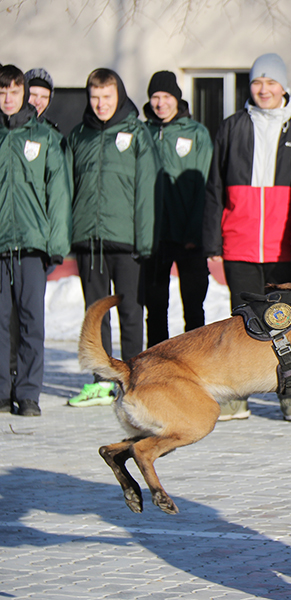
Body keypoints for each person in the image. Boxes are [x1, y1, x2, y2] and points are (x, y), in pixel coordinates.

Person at [203, 53, 291, 422]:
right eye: (257, 83)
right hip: (240, 242)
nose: (264, 90)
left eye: (271, 83)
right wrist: (212, 245)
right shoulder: (232, 126)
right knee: (243, 323)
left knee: (289, 322)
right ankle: (237, 395)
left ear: (284, 86)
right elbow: (214, 189)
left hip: (286, 244)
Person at [66, 68, 158, 408]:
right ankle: (102, 381)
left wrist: (144, 241)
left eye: (107, 97)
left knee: (131, 311)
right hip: (89, 241)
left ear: (118, 95)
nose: (101, 104)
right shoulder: (79, 136)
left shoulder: (137, 133)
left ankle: (133, 378)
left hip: (127, 242)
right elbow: (67, 188)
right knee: (96, 312)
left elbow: (146, 190)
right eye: (95, 97)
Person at [0, 65, 72, 417]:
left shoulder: (44, 137)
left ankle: (28, 393)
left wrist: (55, 244)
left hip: (32, 245)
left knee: (31, 321)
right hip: (0, 246)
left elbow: (58, 195)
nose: (8, 99)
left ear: (22, 93)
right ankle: (1, 390)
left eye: (14, 92)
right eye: (2, 93)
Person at [143, 71, 213, 347]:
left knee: (193, 309)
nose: (161, 103)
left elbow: (204, 185)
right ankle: (155, 368)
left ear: (177, 99)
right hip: (154, 238)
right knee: (155, 308)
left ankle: (193, 367)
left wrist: (195, 233)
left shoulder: (197, 133)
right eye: (155, 97)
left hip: (189, 238)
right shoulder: (142, 132)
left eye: (167, 97)